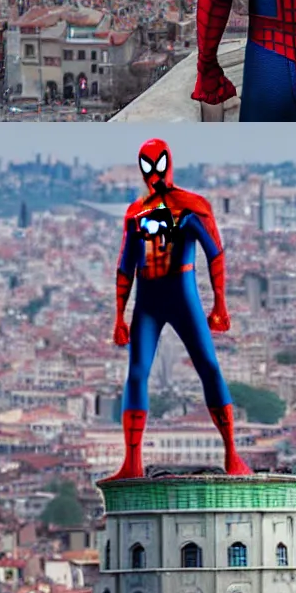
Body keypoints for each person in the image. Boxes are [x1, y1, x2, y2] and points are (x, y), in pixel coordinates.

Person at [105, 139, 250, 480]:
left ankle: (232, 454)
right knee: (137, 374)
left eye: (158, 165)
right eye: (147, 167)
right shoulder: (136, 213)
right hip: (151, 296)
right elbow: (125, 265)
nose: (154, 174)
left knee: (209, 367)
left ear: (169, 164)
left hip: (179, 293)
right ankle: (132, 463)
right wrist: (119, 316)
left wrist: (220, 303)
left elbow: (215, 251)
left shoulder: (191, 206)